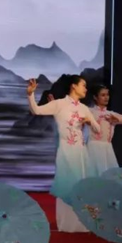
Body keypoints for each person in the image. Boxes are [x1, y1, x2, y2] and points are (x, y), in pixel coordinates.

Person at [27, 75, 100, 233]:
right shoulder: (59, 104)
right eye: (83, 85)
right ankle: (67, 223)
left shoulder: (84, 108)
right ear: (74, 86)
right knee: (67, 184)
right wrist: (31, 94)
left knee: (81, 186)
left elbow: (97, 129)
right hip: (66, 151)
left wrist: (89, 122)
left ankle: (82, 222)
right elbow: (36, 110)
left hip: (81, 153)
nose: (86, 89)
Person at [86, 85, 122, 177]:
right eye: (103, 95)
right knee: (95, 175)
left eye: (107, 95)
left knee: (109, 176)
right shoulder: (89, 111)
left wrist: (116, 119)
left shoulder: (111, 114)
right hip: (93, 147)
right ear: (95, 97)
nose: (106, 97)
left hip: (107, 148)